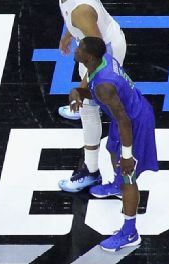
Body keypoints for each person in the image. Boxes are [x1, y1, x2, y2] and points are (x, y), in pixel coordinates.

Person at [68, 36, 159, 251]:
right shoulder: (103, 60)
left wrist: (127, 156)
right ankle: (117, 184)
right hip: (126, 116)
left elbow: (124, 120)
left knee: (129, 176)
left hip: (134, 123)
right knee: (111, 149)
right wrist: (77, 92)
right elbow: (93, 90)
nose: (76, 50)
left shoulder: (104, 86)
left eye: (80, 48)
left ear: (89, 57)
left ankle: (130, 233)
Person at [48, 0, 129, 194]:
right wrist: (68, 35)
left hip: (105, 51)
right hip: (100, 41)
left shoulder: (81, 11)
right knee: (86, 99)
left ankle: (91, 172)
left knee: (88, 108)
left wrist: (83, 89)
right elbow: (77, 22)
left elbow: (97, 51)